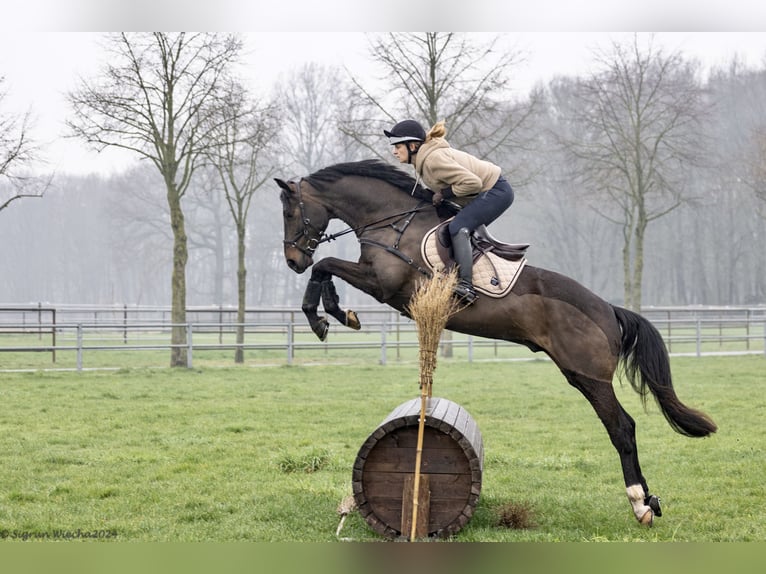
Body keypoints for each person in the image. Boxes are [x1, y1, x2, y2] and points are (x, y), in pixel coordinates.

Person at [384, 119, 514, 304]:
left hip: (496, 191)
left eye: (397, 146)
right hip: (488, 191)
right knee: (452, 226)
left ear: (412, 145)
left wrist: (445, 194)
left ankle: (467, 286)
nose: (394, 151)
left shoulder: (432, 160)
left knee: (458, 227)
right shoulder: (424, 160)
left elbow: (473, 183)